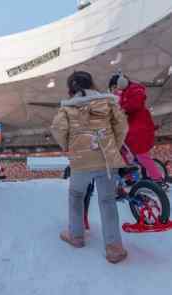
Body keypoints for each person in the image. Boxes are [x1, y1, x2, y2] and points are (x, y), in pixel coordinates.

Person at [51, 71, 129, 264]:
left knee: (76, 195)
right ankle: (114, 249)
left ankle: (76, 236)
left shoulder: (67, 109)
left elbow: (58, 129)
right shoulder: (108, 102)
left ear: (71, 88)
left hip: (80, 161)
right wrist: (113, 147)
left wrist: (68, 147)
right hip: (106, 160)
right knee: (108, 201)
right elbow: (122, 127)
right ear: (91, 83)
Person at [109, 73, 163, 183]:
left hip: (139, 130)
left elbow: (136, 103)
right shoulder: (121, 96)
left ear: (122, 83)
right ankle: (130, 178)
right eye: (112, 88)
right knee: (122, 152)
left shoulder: (135, 90)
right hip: (130, 131)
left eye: (115, 87)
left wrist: (122, 109)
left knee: (141, 155)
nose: (114, 90)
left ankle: (158, 179)